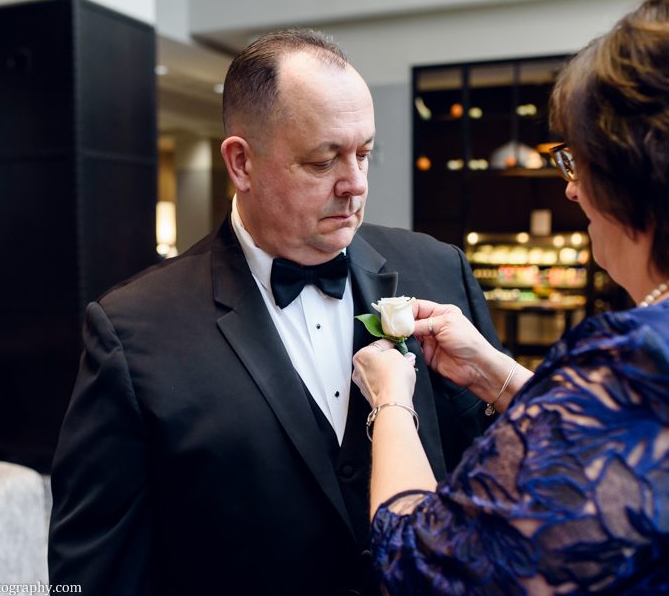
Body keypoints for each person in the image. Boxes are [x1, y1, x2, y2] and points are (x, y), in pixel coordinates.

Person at [48, 29, 502, 595]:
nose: (355, 185)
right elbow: (93, 567)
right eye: (323, 161)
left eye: (363, 154)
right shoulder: (133, 329)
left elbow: (503, 472)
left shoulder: (439, 270)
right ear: (241, 163)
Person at [352, 0, 669, 593]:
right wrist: (496, 374)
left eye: (576, 162)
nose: (570, 191)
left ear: (631, 173)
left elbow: (419, 568)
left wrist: (390, 401)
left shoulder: (640, 361)